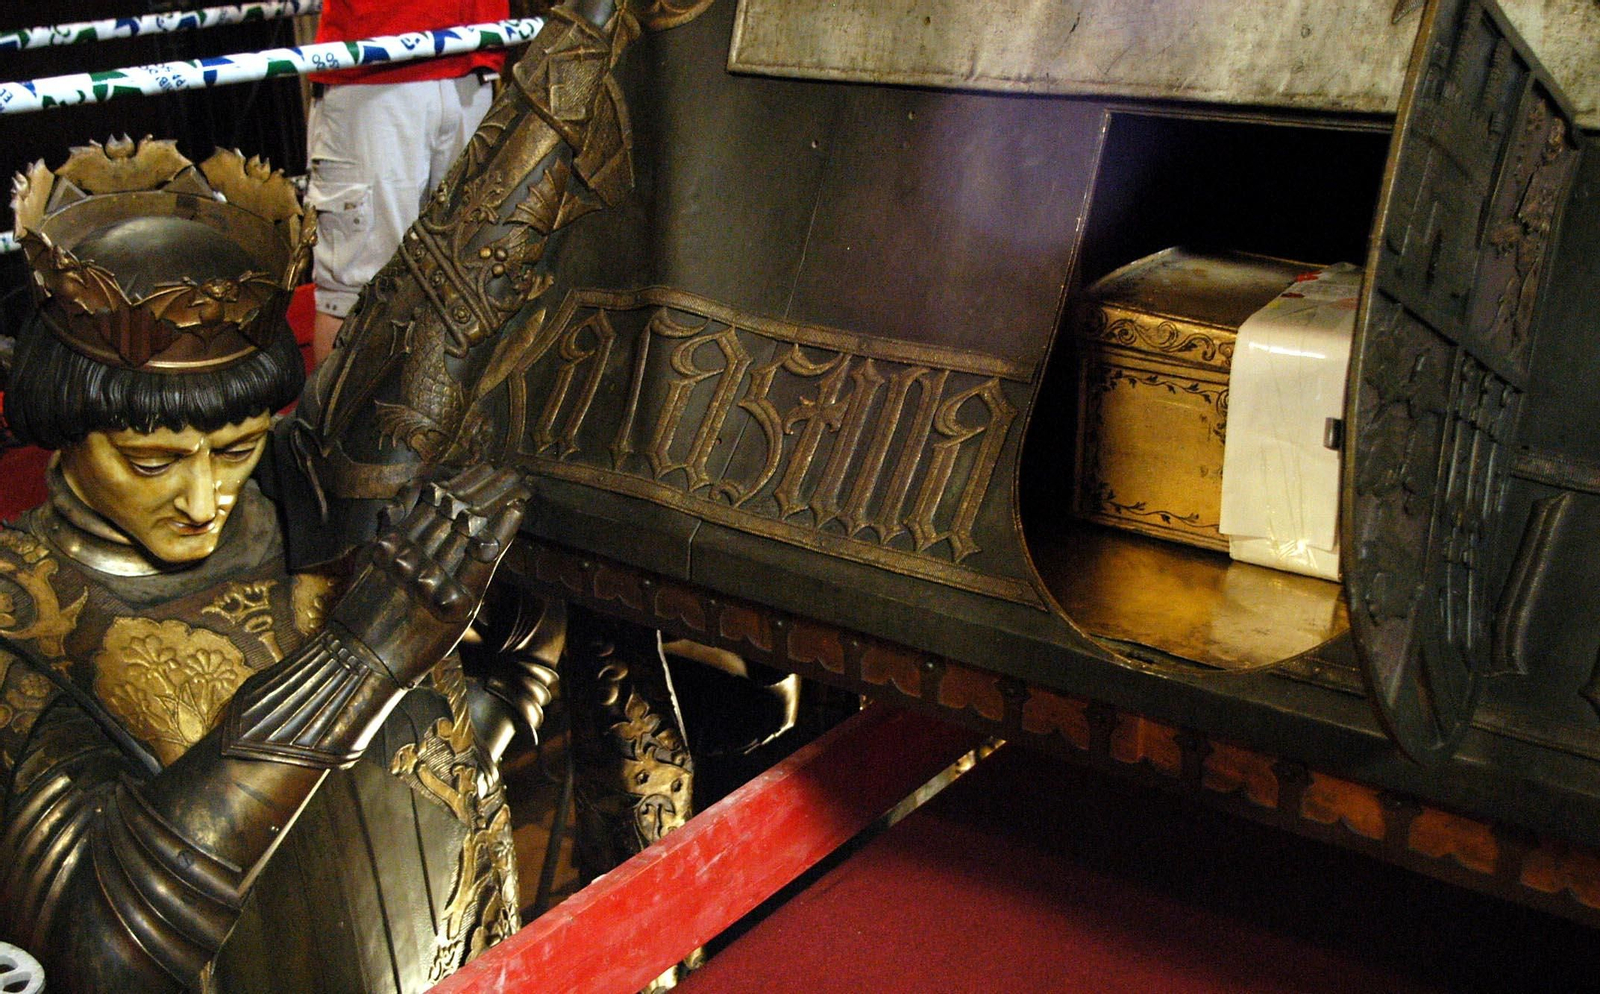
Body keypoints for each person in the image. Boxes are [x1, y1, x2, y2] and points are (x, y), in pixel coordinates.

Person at [0, 138, 528, 993]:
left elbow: (514, 639)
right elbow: (95, 945)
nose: (203, 499)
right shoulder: (22, 605)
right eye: (150, 462)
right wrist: (361, 660)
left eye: (235, 448)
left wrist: (460, 747)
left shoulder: (311, 490)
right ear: (61, 426)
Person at [305, 0, 511, 362]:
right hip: (374, 65)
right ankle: (340, 403)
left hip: (472, 60)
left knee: (473, 282)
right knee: (357, 295)